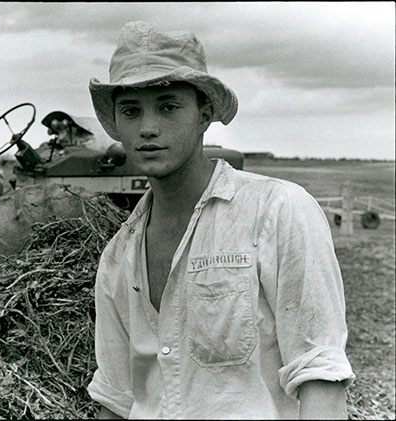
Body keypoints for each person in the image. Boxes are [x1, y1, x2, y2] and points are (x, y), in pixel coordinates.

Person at [87, 21, 354, 419]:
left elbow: (319, 374)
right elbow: (117, 398)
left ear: (204, 112)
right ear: (117, 123)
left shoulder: (278, 210)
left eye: (168, 106)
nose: (147, 128)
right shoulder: (118, 255)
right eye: (131, 111)